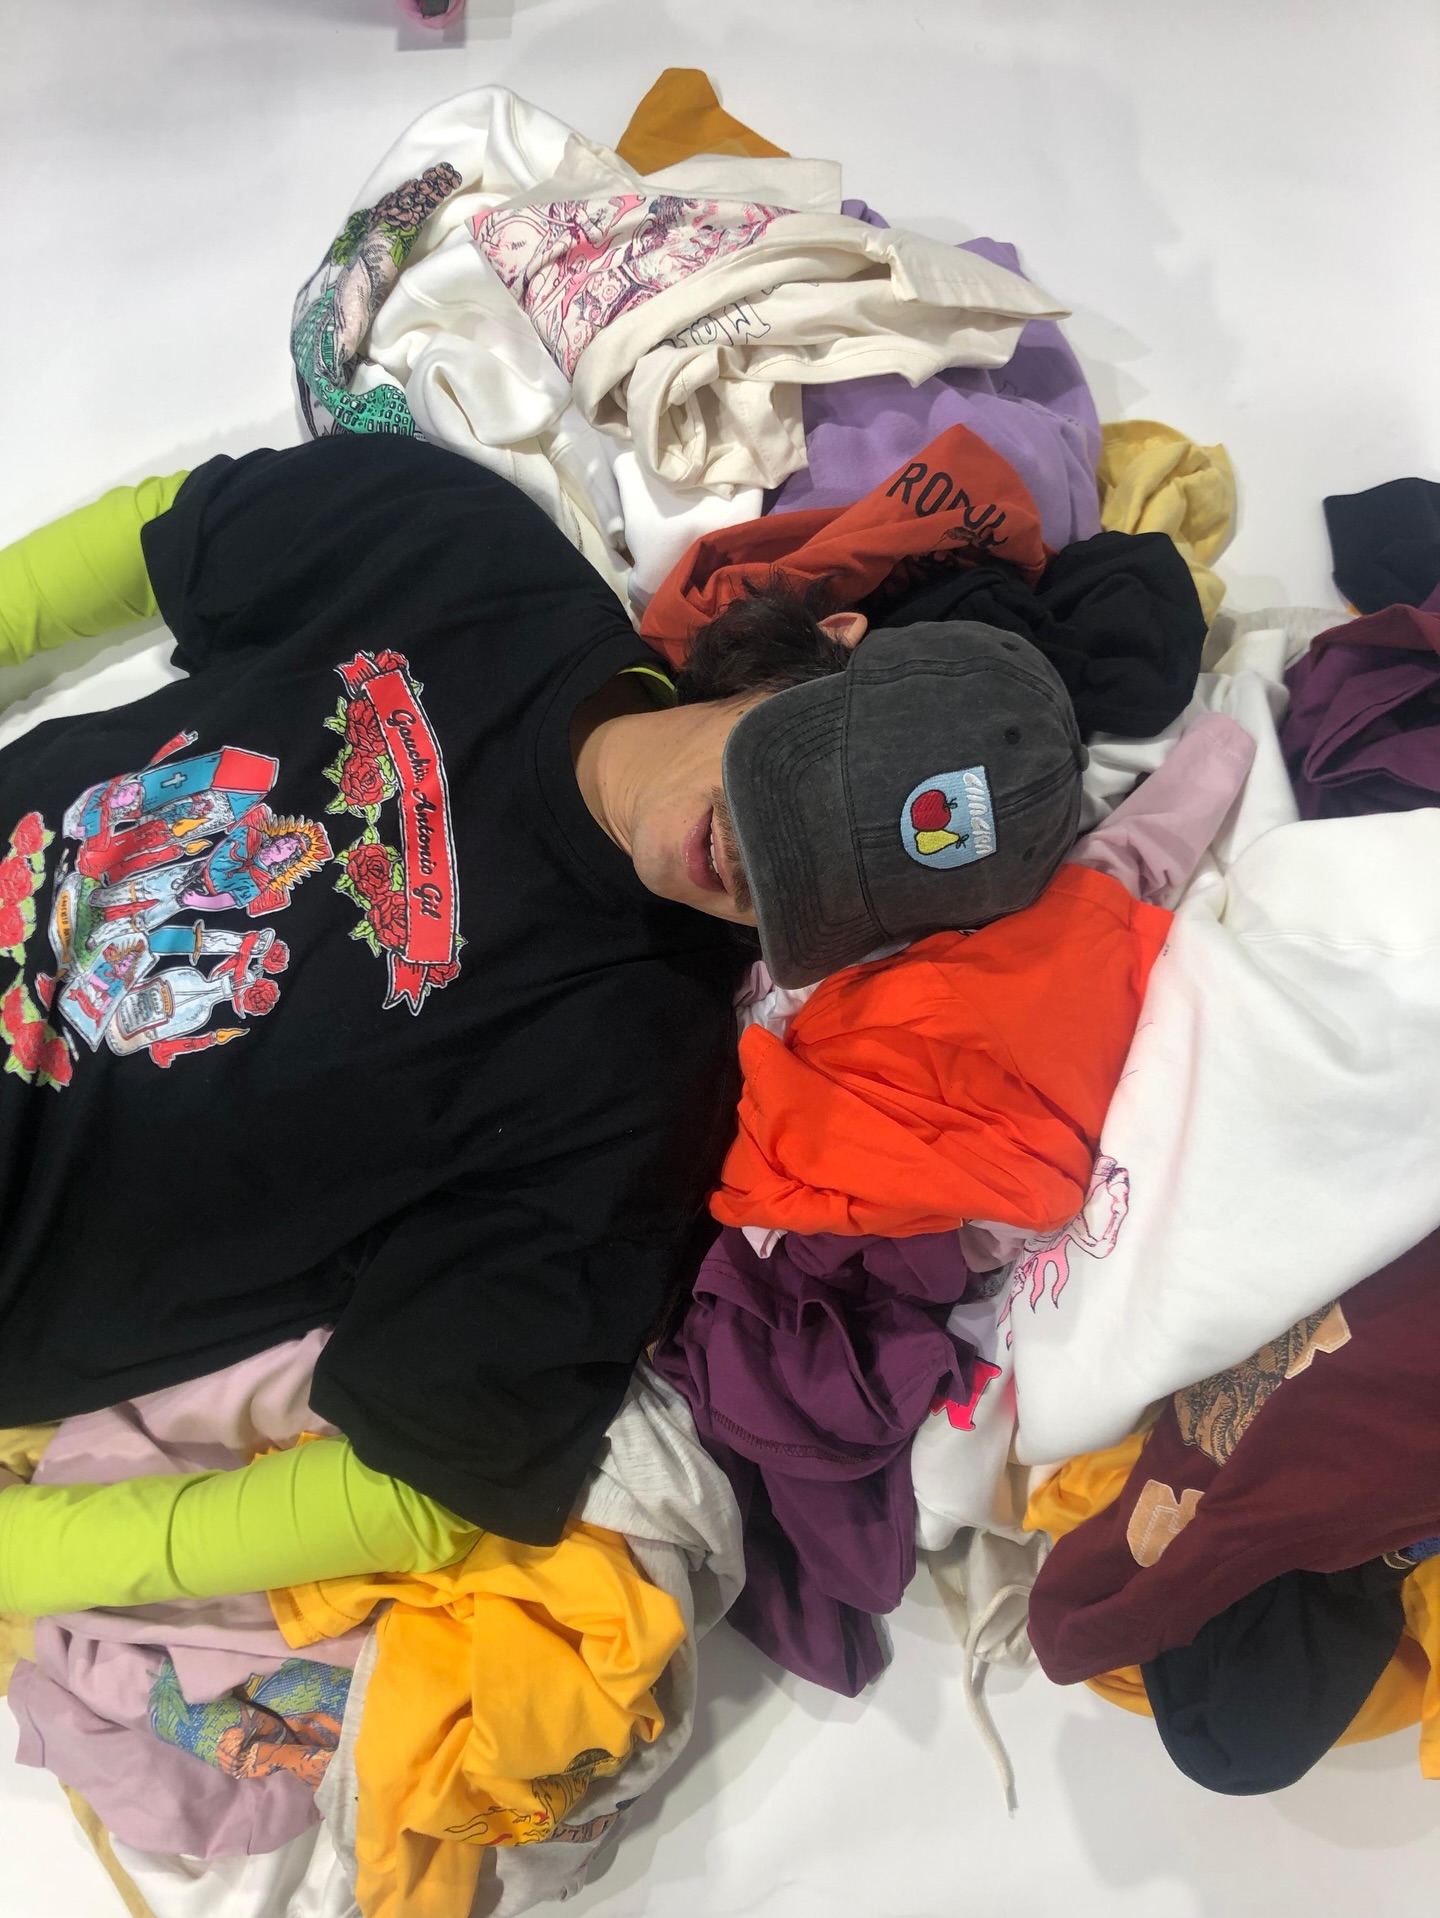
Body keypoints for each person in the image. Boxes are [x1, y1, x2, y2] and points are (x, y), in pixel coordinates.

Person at [0, 435, 1083, 1616]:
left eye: (828, 889)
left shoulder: (632, 1092)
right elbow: (169, 527)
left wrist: (26, 1556)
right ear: (825, 648)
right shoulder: (466, 558)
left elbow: (420, 1481)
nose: (760, 862)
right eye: (802, 783)